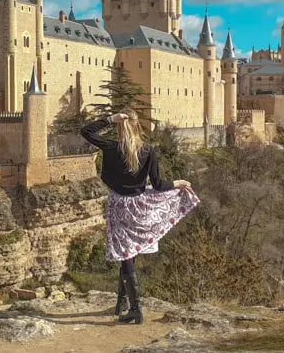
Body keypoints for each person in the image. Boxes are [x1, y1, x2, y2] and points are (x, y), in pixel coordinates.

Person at [80, 109, 199, 325]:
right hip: (139, 204)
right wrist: (178, 183)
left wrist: (109, 119)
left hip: (119, 205)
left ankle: (135, 309)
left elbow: (86, 131)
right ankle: (122, 302)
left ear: (120, 126)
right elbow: (158, 185)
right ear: (138, 126)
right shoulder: (148, 151)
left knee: (126, 254)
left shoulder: (111, 147)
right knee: (130, 253)